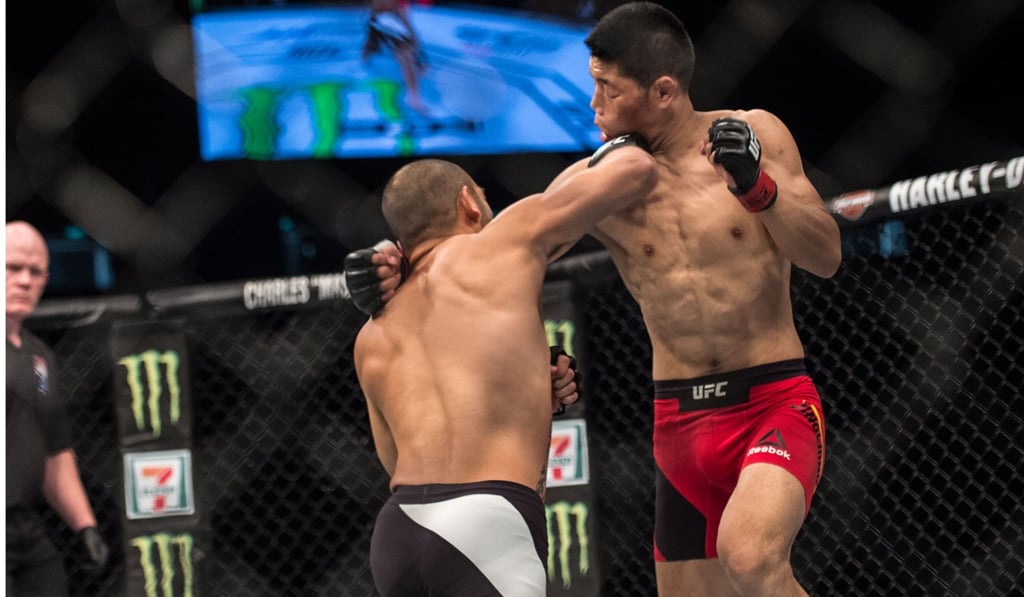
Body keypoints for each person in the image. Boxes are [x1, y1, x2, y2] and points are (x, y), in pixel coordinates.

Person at [344, 3, 843, 595]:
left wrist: (759, 188)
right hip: (679, 422)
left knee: (750, 556)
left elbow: (825, 255)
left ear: (662, 91)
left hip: (771, 402)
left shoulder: (756, 132)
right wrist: (393, 265)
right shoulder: (597, 181)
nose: (593, 106)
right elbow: (485, 253)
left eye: (607, 89)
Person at [351, 139, 656, 595]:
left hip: (399, 531)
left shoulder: (370, 335)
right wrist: (624, 140)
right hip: (487, 523)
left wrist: (531, 391)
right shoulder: (502, 244)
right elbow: (636, 171)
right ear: (469, 202)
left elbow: (395, 457)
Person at [7, 220, 110, 596]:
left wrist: (85, 526)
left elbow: (55, 453)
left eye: (35, 272)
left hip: (24, 528)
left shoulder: (39, 359)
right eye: (13, 268)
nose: (24, 281)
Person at [362, 0, 428, 114]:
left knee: (408, 52)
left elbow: (408, 26)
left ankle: (412, 95)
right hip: (382, 17)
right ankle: (412, 96)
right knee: (406, 53)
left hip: (387, 16)